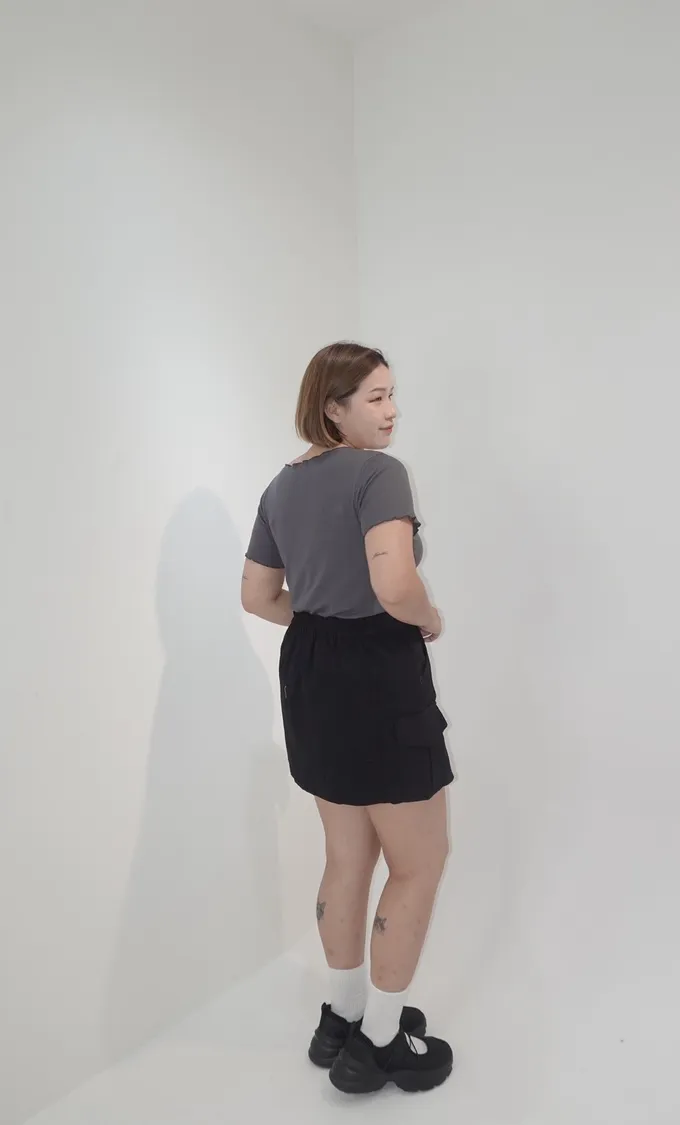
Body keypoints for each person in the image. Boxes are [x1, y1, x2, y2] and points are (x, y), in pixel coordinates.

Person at [241, 341, 454, 1094]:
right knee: (420, 861)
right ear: (333, 408)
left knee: (346, 853)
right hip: (376, 671)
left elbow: (258, 596)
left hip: (310, 669)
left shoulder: (282, 485)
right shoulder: (378, 474)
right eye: (375, 397)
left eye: (393, 394)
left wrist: (319, 622)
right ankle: (383, 1041)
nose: (392, 411)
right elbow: (394, 582)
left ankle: (342, 1016)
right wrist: (427, 618)